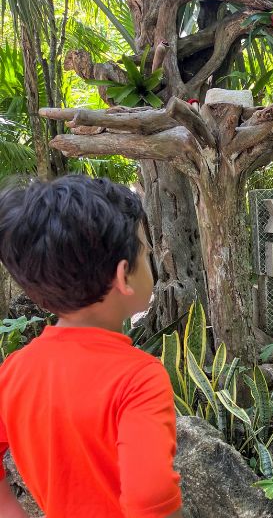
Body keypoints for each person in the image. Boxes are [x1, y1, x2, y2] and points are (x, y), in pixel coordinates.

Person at [0, 175, 183, 518]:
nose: (152, 261)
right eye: (147, 251)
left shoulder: (14, 370)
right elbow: (151, 497)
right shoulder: (139, 378)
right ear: (123, 275)